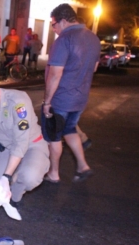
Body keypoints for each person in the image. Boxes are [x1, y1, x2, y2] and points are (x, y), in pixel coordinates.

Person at [42, 4, 100, 183]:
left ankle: (53, 173)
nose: (54, 28)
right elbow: (95, 67)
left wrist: (47, 102)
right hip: (80, 98)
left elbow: (55, 74)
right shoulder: (93, 38)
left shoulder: (64, 40)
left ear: (64, 20)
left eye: (54, 24)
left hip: (61, 99)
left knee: (54, 136)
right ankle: (83, 166)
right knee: (70, 129)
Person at [0, 75, 50, 208]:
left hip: (32, 145)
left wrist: (6, 177)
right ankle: (9, 177)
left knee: (30, 176)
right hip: (8, 147)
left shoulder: (18, 102)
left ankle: (16, 193)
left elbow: (21, 143)